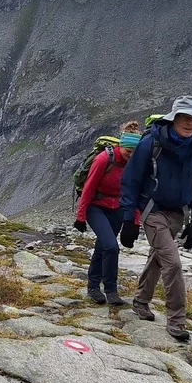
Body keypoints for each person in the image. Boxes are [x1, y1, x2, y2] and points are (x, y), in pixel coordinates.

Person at [118, 96, 192, 342]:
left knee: (158, 259)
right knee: (173, 263)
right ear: (173, 119)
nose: (190, 123)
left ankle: (140, 301)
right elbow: (131, 180)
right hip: (152, 210)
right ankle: (177, 321)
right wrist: (129, 219)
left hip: (178, 213)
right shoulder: (151, 143)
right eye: (185, 118)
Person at [74, 121, 142, 305]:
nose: (131, 156)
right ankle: (111, 290)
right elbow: (88, 188)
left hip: (117, 208)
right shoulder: (104, 159)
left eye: (135, 153)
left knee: (103, 246)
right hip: (96, 207)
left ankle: (93, 287)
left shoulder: (136, 164)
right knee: (112, 247)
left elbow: (136, 192)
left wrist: (135, 222)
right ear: (122, 146)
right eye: (129, 152)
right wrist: (80, 216)